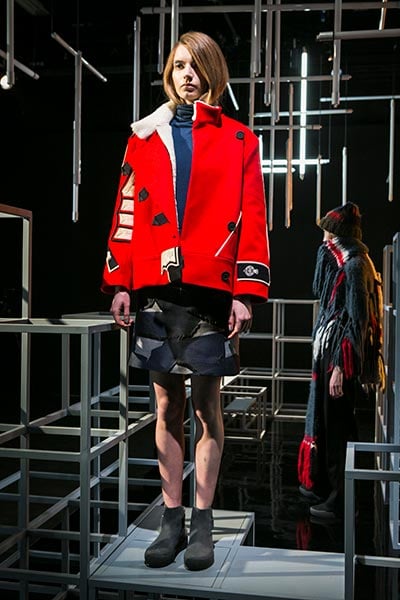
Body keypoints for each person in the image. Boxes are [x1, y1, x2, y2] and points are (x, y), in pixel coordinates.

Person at [101, 31, 270, 570]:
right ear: (168, 73)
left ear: (212, 72)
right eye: (178, 66)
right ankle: (170, 518)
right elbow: (127, 211)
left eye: (195, 66)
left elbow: (253, 216)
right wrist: (120, 281)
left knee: (206, 408)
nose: (186, 75)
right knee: (166, 407)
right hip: (156, 287)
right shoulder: (143, 137)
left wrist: (247, 292)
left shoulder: (239, 139)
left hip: (210, 288)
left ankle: (202, 522)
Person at [297, 202, 383, 521]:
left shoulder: (355, 264)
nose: (324, 238)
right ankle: (324, 486)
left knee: (338, 431)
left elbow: (356, 320)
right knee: (327, 423)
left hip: (339, 358)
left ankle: (342, 500)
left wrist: (339, 367)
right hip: (331, 351)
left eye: (327, 233)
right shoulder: (345, 262)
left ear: (338, 235)